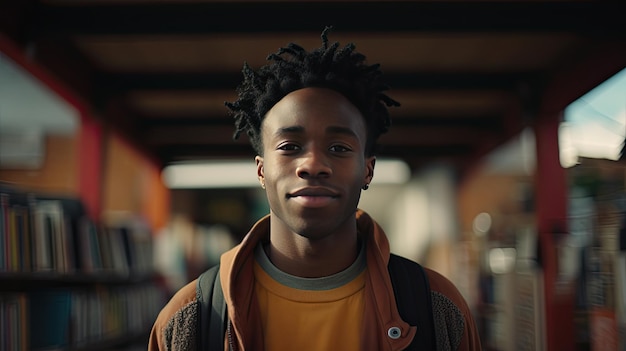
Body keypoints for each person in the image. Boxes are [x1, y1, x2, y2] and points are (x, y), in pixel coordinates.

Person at [148, 27, 482, 351]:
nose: (312, 164)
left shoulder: (437, 308)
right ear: (262, 170)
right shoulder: (189, 318)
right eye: (290, 146)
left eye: (338, 148)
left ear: (368, 169)